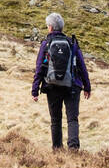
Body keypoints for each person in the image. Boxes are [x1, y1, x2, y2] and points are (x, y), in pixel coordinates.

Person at [32, 13, 91, 149]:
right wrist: (87, 86)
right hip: (72, 86)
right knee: (72, 119)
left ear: (51, 28)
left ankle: (57, 150)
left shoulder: (46, 44)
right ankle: (73, 149)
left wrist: (35, 89)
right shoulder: (72, 43)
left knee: (55, 120)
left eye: (48, 26)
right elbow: (82, 66)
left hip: (52, 86)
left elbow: (40, 67)